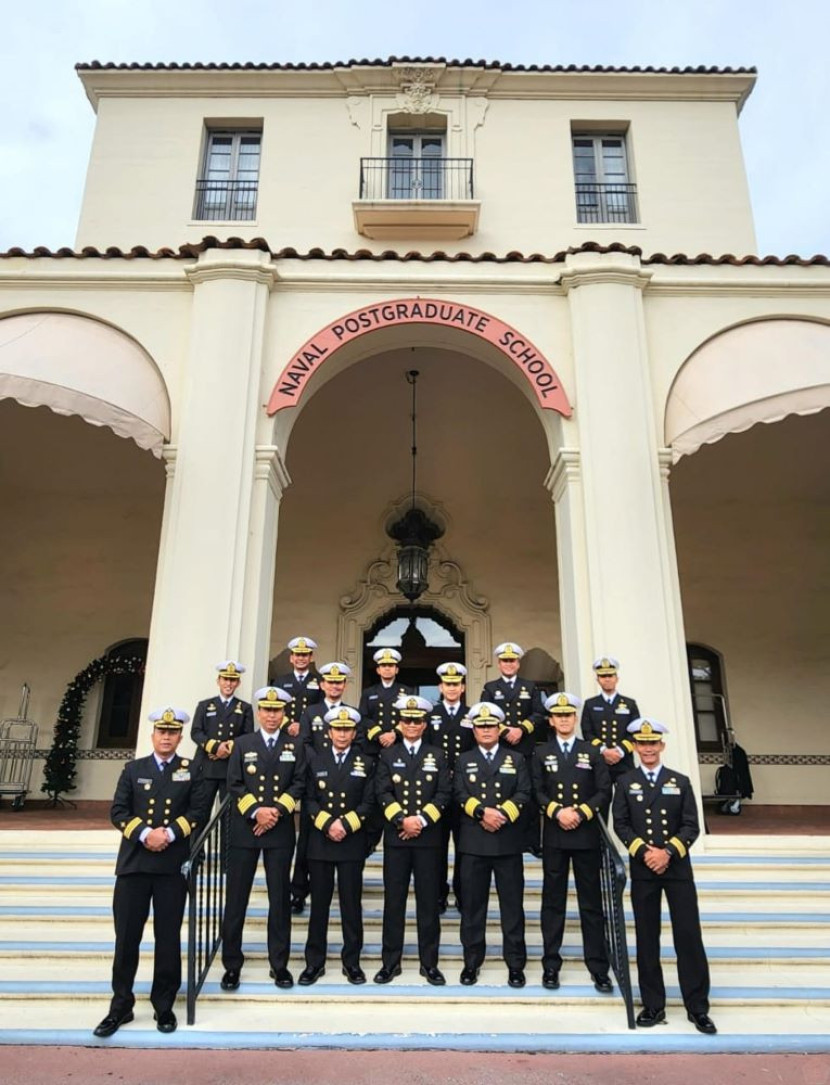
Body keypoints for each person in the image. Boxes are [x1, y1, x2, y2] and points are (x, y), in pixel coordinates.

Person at [93, 707, 206, 1037]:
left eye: (172, 732)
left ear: (180, 737)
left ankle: (164, 1005)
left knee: (167, 938)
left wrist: (168, 835)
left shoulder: (192, 769)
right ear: (153, 735)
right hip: (134, 865)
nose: (167, 737)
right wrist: (146, 834)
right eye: (162, 732)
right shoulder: (133, 769)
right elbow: (118, 811)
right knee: (127, 938)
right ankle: (121, 1005)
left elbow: (198, 810)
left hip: (171, 866)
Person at [612, 717, 717, 1035]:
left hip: (676, 869)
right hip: (644, 869)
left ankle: (697, 1007)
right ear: (634, 746)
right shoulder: (625, 783)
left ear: (661, 745)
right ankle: (653, 1004)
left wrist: (667, 852)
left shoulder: (681, 781)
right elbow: (621, 824)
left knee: (688, 936)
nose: (647, 748)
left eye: (652, 743)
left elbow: (691, 825)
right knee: (647, 937)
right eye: (641, 743)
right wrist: (645, 852)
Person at [220, 687, 306, 992]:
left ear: (284, 714)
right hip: (245, 830)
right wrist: (256, 811)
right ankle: (232, 965)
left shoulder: (294, 745)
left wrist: (276, 812)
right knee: (236, 899)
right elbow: (234, 784)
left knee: (279, 899)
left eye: (277, 711)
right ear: (259, 713)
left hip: (280, 831)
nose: (271, 716)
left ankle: (279, 964)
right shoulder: (243, 744)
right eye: (267, 711)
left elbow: (299, 783)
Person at [531, 692, 612, 992]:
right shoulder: (542, 753)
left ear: (575, 719)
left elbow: (604, 790)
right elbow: (537, 790)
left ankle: (599, 967)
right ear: (550, 721)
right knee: (553, 904)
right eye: (558, 715)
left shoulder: (591, 752)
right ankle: (551, 964)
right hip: (554, 835)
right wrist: (556, 812)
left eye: (569, 715)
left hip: (585, 834)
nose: (564, 719)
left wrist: (581, 812)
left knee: (590, 903)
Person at [373, 694, 452, 986]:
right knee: (394, 903)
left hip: (427, 839)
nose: (411, 725)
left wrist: (419, 821)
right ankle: (390, 963)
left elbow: (444, 794)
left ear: (424, 724)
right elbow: (382, 792)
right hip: (397, 839)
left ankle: (428, 963)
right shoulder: (388, 755)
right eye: (407, 720)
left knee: (428, 904)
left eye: (417, 720)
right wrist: (400, 821)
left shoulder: (438, 754)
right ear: (400, 723)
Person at [453, 701, 530, 988]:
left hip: (507, 841)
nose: (486, 730)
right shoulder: (463, 760)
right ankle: (472, 962)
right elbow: (458, 793)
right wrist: (482, 812)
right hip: (474, 841)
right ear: (473, 730)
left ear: (499, 728)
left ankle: (515, 964)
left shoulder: (516, 759)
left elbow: (525, 792)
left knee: (512, 907)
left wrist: (502, 815)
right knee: (473, 908)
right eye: (481, 726)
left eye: (490, 725)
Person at [299, 705, 374, 986]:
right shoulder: (315, 762)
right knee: (318, 905)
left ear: (354, 733)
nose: (342, 734)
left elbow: (369, 802)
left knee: (350, 904)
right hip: (321, 841)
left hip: (351, 842)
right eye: (337, 729)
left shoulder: (366, 763)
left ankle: (351, 962)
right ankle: (314, 963)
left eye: (347, 730)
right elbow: (307, 799)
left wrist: (345, 824)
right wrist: (327, 822)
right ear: (329, 732)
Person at [290, 660, 358, 914]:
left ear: (344, 685)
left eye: (339, 682)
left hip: (343, 783)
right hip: (315, 781)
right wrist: (319, 764)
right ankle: (298, 890)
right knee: (307, 839)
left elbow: (356, 744)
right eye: (330, 682)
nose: (334, 686)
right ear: (322, 684)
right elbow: (304, 742)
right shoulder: (310, 712)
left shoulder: (351, 714)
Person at [481, 642, 545, 855]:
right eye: (505, 661)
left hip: (524, 749)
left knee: (528, 796)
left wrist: (522, 730)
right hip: (500, 748)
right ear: (499, 664)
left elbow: (539, 713)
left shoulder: (530, 687)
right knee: (503, 793)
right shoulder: (490, 688)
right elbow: (484, 714)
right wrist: (505, 730)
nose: (509, 664)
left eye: (512, 660)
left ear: (518, 663)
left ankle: (531, 842)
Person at [427, 662, 475, 912]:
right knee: (437, 846)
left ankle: (463, 893)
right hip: (436, 791)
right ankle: (438, 894)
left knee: (464, 846)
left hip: (465, 790)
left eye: (456, 684)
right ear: (440, 687)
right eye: (448, 684)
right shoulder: (429, 715)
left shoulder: (472, 715)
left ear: (463, 687)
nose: (452, 688)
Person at [190, 660, 254, 809]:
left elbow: (247, 736)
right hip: (206, 766)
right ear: (218, 681)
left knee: (228, 815)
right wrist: (215, 747)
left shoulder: (245, 708)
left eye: (233, 680)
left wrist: (227, 749)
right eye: (225, 679)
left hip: (230, 767)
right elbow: (196, 732)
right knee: (200, 811)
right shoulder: (204, 705)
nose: (229, 684)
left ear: (238, 683)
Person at [580, 656, 640, 792]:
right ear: (598, 680)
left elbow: (635, 733)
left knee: (626, 803)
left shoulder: (629, 704)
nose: (607, 679)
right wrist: (604, 751)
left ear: (617, 678)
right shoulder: (591, 704)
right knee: (601, 802)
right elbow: (587, 732)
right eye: (603, 676)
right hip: (600, 761)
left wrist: (619, 751)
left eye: (610, 676)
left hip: (624, 762)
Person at [360, 647, 410, 752]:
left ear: (396, 670)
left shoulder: (407, 691)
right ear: (378, 670)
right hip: (374, 745)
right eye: (383, 665)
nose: (387, 668)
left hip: (398, 743)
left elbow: (409, 716)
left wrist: (395, 734)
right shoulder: (368, 692)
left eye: (391, 665)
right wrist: (379, 735)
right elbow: (363, 717)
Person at [272, 636, 322, 731]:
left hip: (310, 731)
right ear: (291, 658)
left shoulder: (319, 681)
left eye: (304, 655)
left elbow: (321, 708)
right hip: (286, 731)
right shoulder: (280, 681)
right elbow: (275, 707)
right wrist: (288, 725)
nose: (301, 658)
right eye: (297, 655)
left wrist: (303, 726)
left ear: (311, 658)